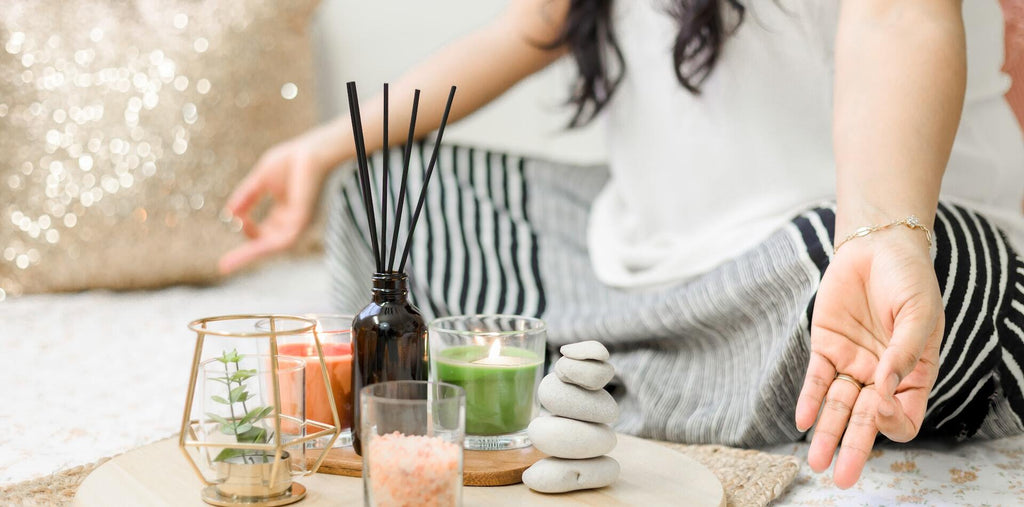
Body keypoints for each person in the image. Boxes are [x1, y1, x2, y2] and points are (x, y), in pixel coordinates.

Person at [220, 0, 1024, 489]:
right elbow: (523, 29)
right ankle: (664, 372)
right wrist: (322, 149)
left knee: (944, 283)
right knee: (383, 188)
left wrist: (883, 229)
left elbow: (901, 15)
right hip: (642, 263)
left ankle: (599, 376)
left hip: (852, 246)